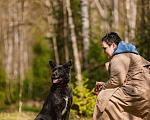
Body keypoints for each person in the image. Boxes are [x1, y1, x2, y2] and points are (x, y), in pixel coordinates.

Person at [93, 32, 150, 120]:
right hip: (144, 93)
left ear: (113, 45)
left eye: (105, 48)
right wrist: (105, 84)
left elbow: (116, 81)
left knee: (104, 97)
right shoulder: (131, 54)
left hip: (138, 93)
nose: (103, 52)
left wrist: (103, 87)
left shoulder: (119, 57)